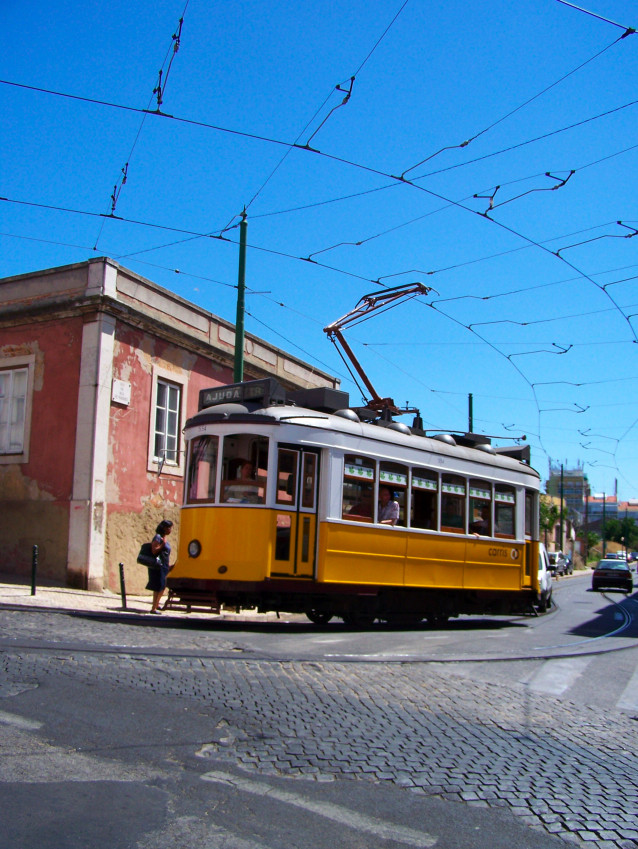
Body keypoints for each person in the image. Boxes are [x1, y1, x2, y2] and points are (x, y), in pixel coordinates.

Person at [147, 519, 173, 614]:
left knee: (162, 586)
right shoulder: (158, 538)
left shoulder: (163, 538)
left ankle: (157, 604)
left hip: (164, 566)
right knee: (158, 587)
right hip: (158, 566)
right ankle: (153, 608)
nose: (170, 530)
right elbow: (154, 550)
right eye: (169, 528)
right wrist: (163, 545)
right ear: (164, 528)